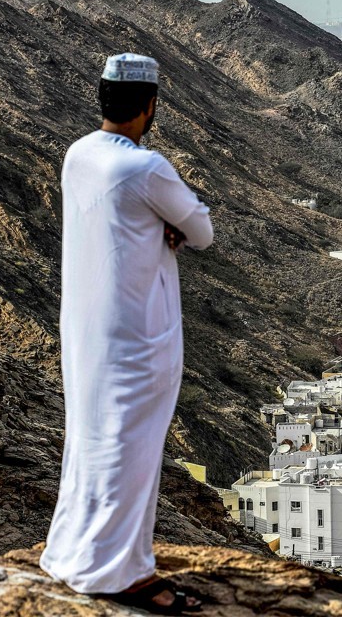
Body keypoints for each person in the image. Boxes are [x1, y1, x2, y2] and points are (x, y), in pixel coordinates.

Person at [40, 53, 213, 614]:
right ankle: (119, 575)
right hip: (139, 334)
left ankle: (72, 553)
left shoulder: (78, 155)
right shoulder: (146, 167)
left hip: (86, 329)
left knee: (91, 442)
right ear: (149, 107)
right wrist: (171, 226)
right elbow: (203, 231)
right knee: (131, 451)